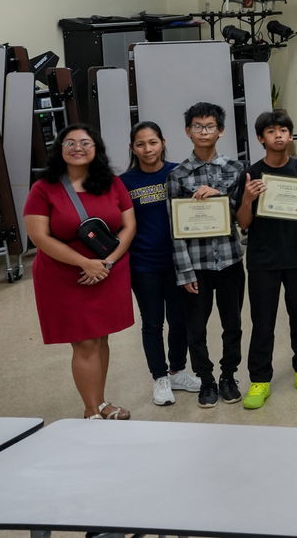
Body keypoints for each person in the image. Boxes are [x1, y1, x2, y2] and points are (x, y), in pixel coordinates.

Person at [23, 125, 135, 419]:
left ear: (96, 149)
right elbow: (40, 237)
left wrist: (107, 263)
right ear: (60, 149)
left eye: (85, 142)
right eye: (69, 142)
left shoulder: (111, 183)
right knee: (85, 341)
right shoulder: (43, 188)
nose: (77, 147)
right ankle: (92, 411)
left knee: (101, 338)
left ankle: (100, 402)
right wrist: (85, 263)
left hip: (108, 270)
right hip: (65, 275)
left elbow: (128, 226)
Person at [233, 110, 297, 409]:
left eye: (284, 130)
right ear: (261, 138)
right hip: (263, 259)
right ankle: (260, 379)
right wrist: (248, 198)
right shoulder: (252, 173)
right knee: (263, 321)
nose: (278, 136)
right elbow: (243, 223)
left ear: (290, 135)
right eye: (271, 131)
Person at [169, 102, 246, 408]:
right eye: (198, 126)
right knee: (196, 327)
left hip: (229, 260)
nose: (204, 132)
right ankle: (206, 380)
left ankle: (228, 375)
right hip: (196, 265)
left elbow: (243, 216)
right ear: (188, 131)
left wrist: (221, 198)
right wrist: (184, 271)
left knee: (234, 324)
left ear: (221, 130)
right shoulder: (178, 175)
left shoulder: (235, 169)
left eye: (210, 126)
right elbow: (174, 228)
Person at [120, 122, 199, 407]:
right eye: (140, 144)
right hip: (144, 264)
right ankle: (160, 377)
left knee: (180, 320)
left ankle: (177, 371)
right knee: (152, 323)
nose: (147, 149)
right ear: (133, 148)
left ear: (163, 142)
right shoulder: (124, 182)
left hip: (178, 261)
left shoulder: (179, 172)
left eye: (152, 142)